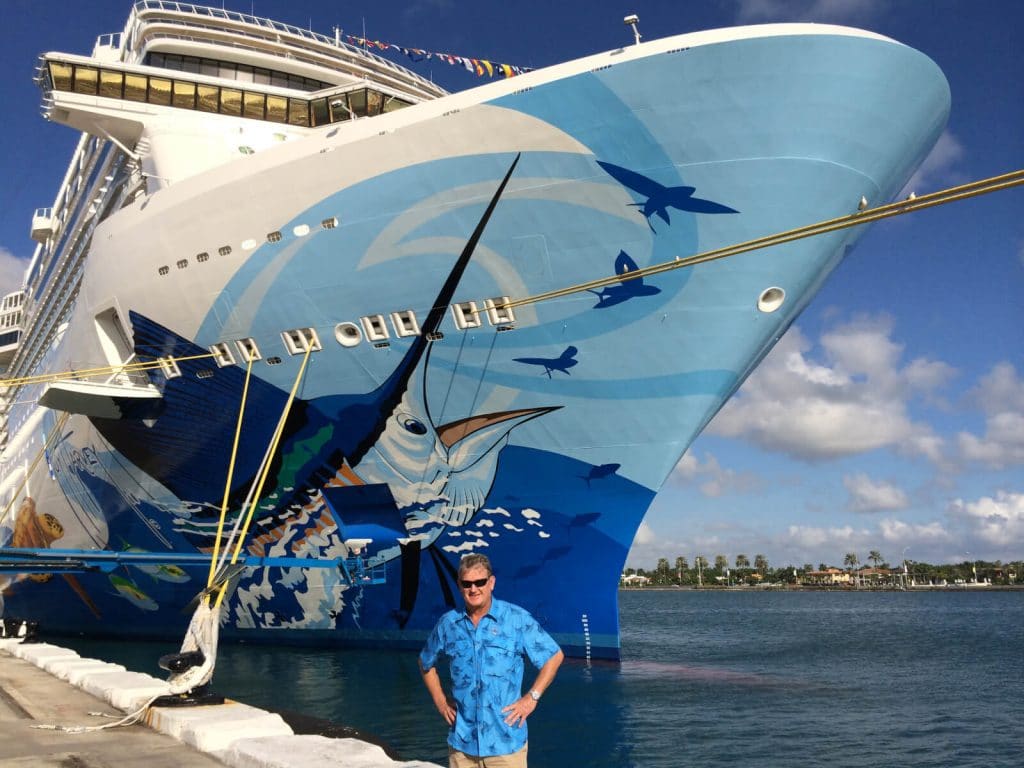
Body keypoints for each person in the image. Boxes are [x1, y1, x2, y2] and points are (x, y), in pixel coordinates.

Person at [419, 553, 564, 768]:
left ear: (492, 582)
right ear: (459, 585)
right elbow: (425, 662)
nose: (474, 589)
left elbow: (554, 656)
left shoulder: (516, 619)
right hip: (462, 747)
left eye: (480, 582)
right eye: (467, 583)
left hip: (506, 746)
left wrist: (531, 698)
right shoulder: (448, 623)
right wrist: (441, 702)